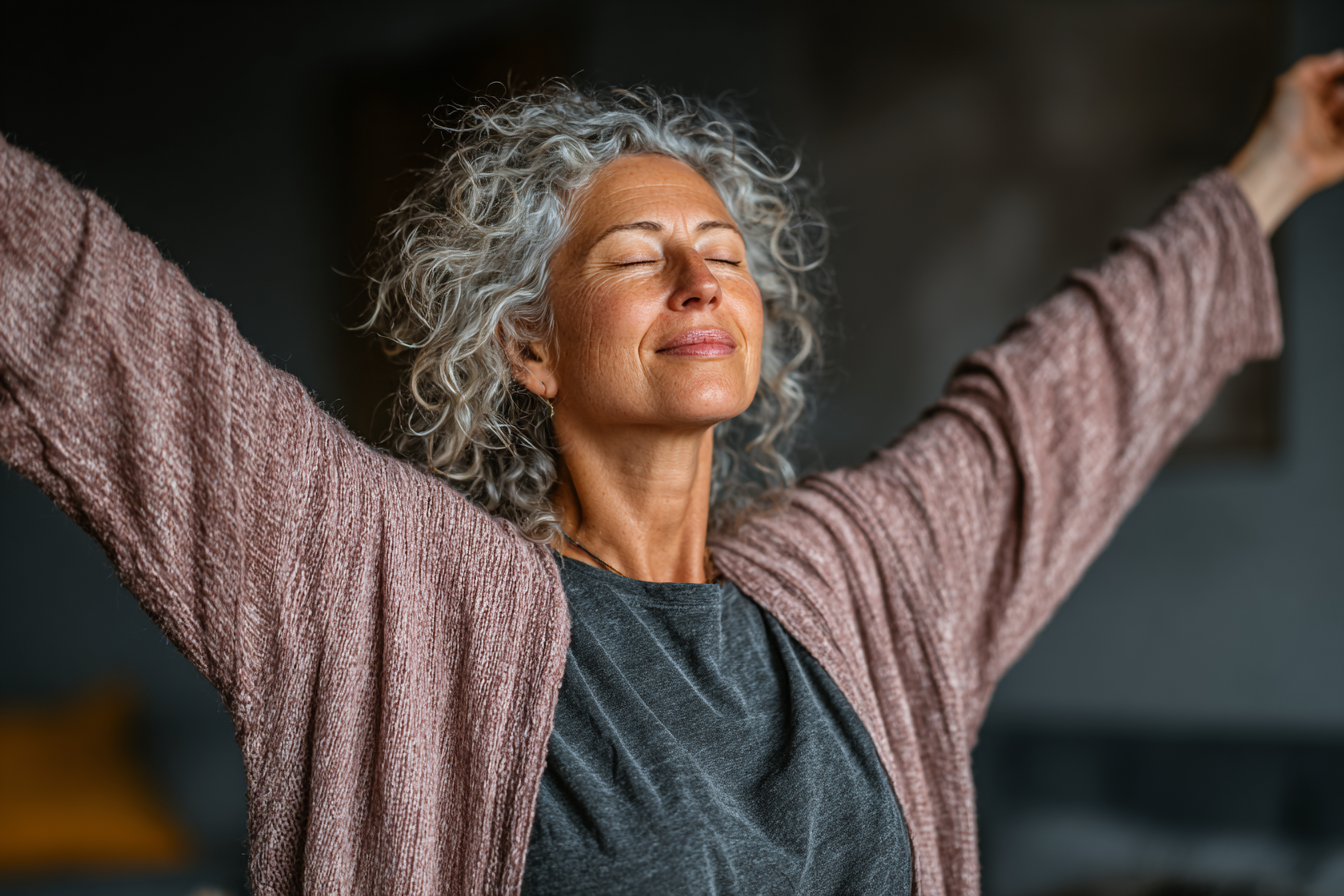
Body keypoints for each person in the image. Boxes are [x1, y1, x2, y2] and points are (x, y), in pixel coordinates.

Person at [1, 48, 1342, 895]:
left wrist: (1276, 166)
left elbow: (1052, 406)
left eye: (727, 252)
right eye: (639, 258)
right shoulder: (395, 594)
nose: (704, 277)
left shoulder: (864, 578)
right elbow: (97, 324)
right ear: (529, 345)